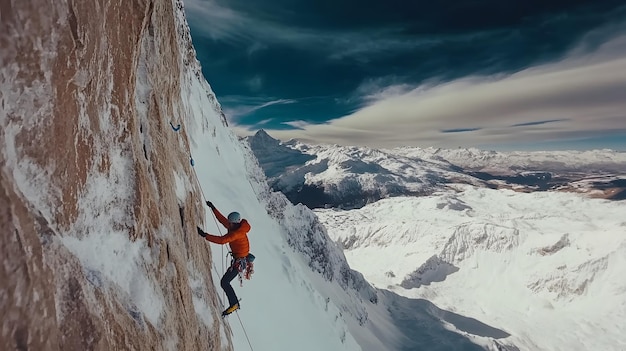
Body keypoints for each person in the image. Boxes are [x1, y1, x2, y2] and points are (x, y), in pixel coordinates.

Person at [197, 201, 251, 316]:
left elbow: (222, 240)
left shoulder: (236, 234)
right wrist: (213, 208)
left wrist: (205, 235)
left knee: (225, 282)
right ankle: (234, 303)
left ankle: (234, 303)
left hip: (239, 261)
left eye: (230, 224)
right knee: (225, 282)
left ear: (235, 224)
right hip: (240, 260)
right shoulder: (235, 227)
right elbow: (223, 221)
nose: (229, 225)